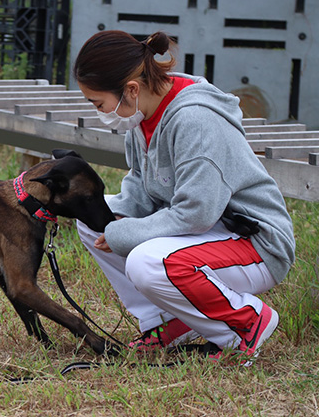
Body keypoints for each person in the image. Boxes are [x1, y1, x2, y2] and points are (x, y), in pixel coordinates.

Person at [73, 30, 296, 365]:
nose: (101, 113)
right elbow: (141, 183)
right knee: (91, 223)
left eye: (99, 103)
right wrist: (110, 217)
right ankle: (170, 324)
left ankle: (245, 324)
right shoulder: (142, 112)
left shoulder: (195, 119)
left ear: (131, 90)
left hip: (254, 242)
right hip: (207, 233)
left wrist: (124, 232)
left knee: (147, 262)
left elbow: (196, 213)